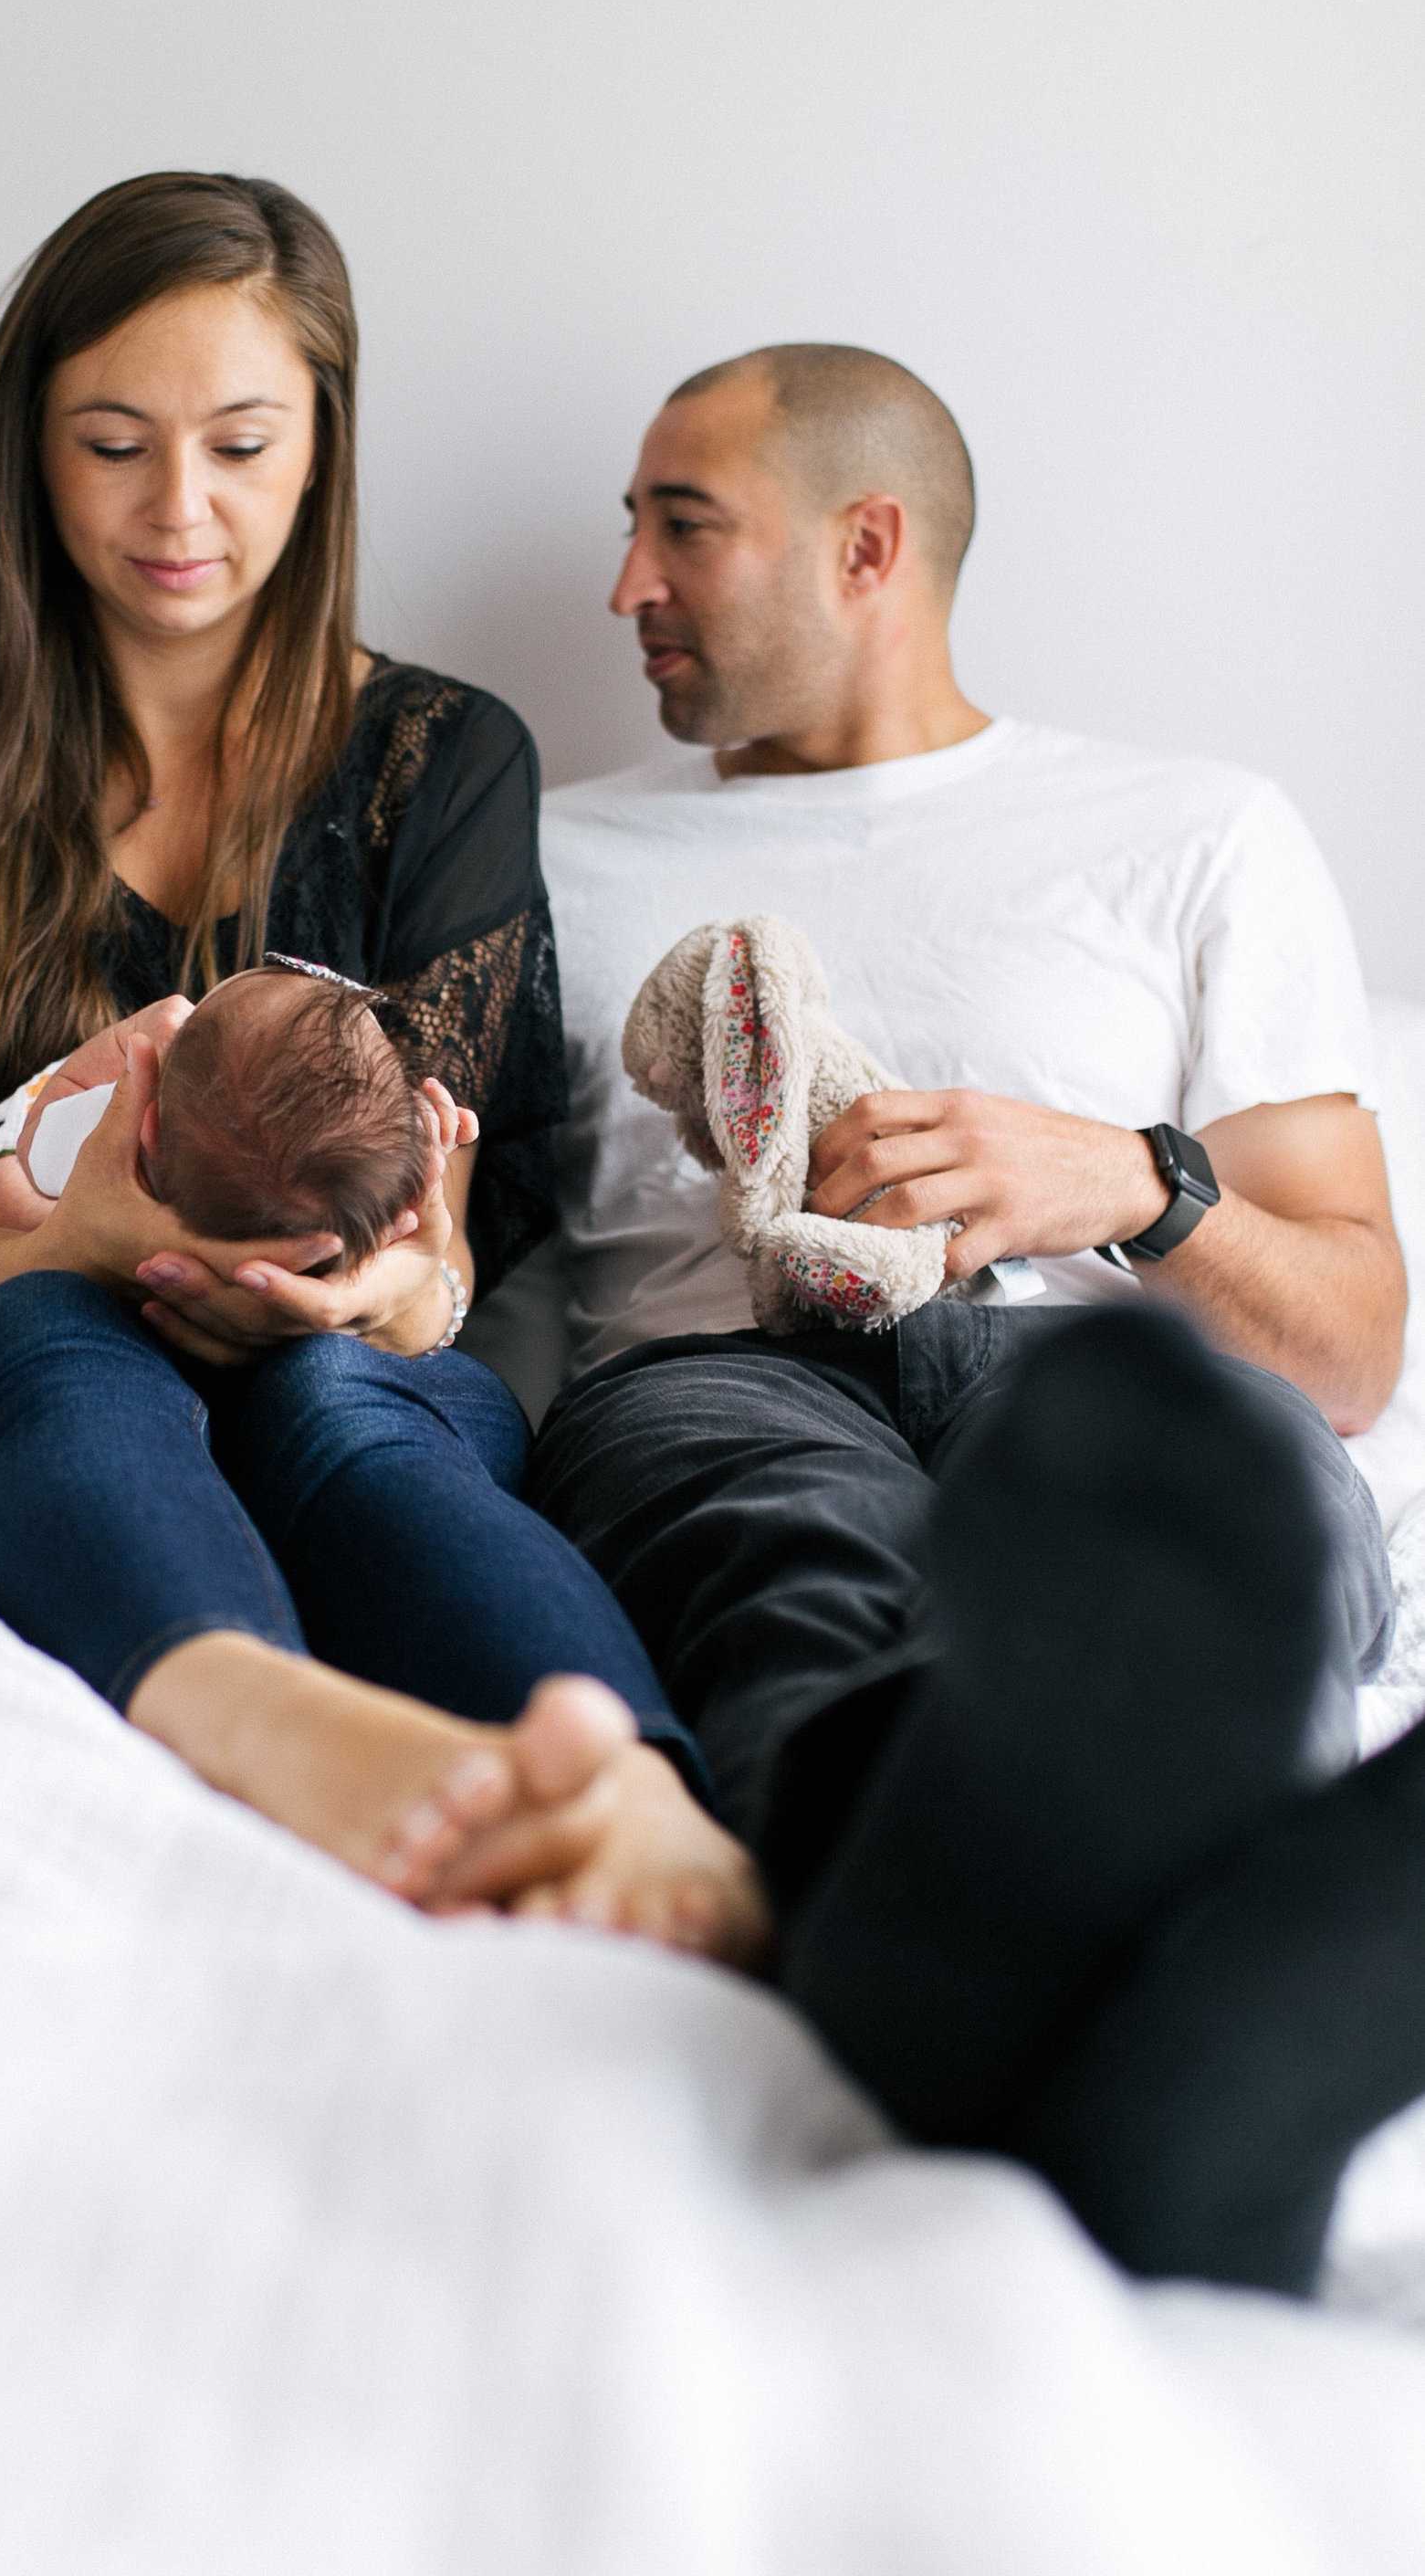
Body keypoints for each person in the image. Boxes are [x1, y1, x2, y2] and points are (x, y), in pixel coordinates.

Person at [0, 173, 766, 1961]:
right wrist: (64, 1250)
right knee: (61, 1342)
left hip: (360, 1351)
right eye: (111, 443)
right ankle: (267, 1726)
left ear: (318, 453)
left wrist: (375, 1301)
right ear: (26, 451)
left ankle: (634, 1798)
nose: (176, 512)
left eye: (240, 447)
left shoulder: (440, 760)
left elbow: (447, 1243)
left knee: (346, 1413)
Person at [500, 340, 1425, 2290]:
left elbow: (1348, 1349)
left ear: (865, 546)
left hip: (1097, 1378)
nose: (624, 591)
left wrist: (1132, 1182)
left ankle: (995, 1923)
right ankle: (1196, 2030)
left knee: (1217, 1502)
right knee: (778, 1567)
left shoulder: (1189, 831)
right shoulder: (552, 857)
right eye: (625, 532)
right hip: (714, 1375)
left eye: (680, 527)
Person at [0, 959, 429, 1266]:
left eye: (193, 1021)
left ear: (145, 1127)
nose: (180, 1008)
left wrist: (130, 1046)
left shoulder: (109, 1137)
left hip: (11, 1181)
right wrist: (419, 1144)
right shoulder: (323, 1238)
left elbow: (36, 1143)